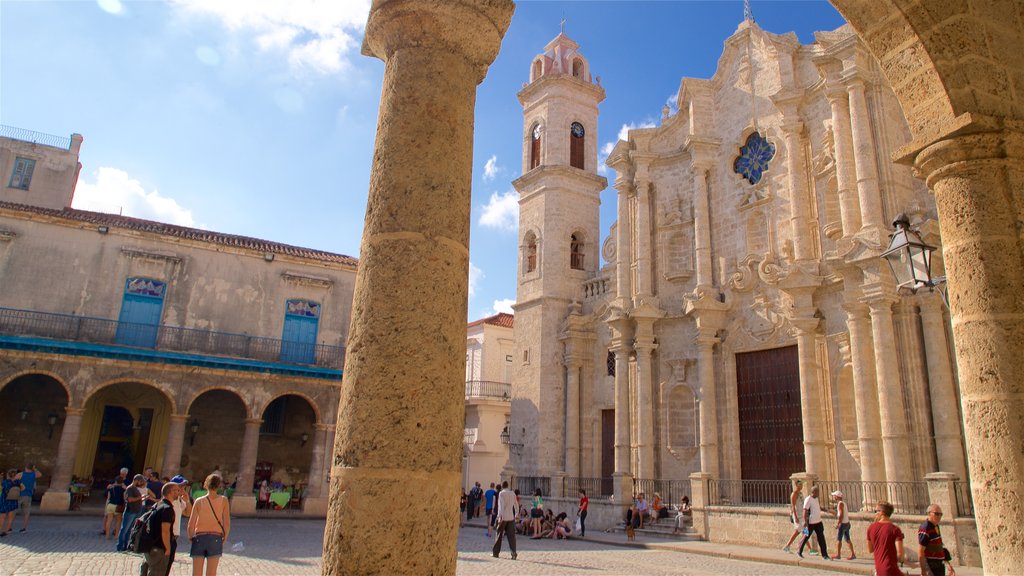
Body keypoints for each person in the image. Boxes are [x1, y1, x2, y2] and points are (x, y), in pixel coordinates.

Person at [188, 474, 231, 576]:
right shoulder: (224, 500)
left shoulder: (199, 501)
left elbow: (191, 522)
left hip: (199, 536)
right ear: (219, 486)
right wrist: (225, 536)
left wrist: (190, 536)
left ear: (206, 484)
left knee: (196, 573)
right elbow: (227, 522)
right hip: (215, 536)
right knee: (211, 573)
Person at [140, 482, 177, 576]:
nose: (179, 492)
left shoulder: (157, 505)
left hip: (150, 545)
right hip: (159, 547)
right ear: (170, 492)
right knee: (157, 572)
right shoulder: (167, 509)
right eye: (177, 490)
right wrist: (168, 548)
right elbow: (165, 530)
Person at [867, 501, 905, 576]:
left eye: (876, 511)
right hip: (891, 569)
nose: (875, 514)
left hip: (879, 570)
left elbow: (870, 550)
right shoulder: (895, 529)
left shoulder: (871, 528)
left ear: (882, 512)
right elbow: (900, 554)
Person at [166, 475, 193, 576]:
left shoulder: (180, 500)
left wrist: (187, 501)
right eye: (180, 487)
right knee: (162, 563)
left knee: (169, 562)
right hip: (167, 533)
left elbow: (188, 513)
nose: (182, 489)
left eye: (183, 487)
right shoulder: (169, 500)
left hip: (174, 534)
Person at [797, 485, 831, 559]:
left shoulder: (816, 499)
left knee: (821, 538)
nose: (818, 493)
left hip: (818, 522)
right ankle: (799, 551)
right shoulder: (808, 499)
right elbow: (805, 510)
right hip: (810, 522)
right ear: (813, 492)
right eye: (817, 492)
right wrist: (805, 521)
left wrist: (827, 510)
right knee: (806, 536)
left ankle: (825, 555)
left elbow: (818, 507)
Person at [919, 504, 952, 576]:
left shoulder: (935, 526)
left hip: (939, 564)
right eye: (936, 514)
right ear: (929, 513)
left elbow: (939, 546)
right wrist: (923, 570)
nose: (939, 516)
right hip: (931, 565)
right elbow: (921, 551)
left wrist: (948, 564)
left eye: (941, 514)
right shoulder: (925, 528)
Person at [117, 474, 147, 552]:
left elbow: (136, 500)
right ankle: (120, 546)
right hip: (130, 511)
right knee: (124, 529)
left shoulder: (135, 488)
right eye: (140, 482)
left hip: (136, 510)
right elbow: (130, 499)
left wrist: (143, 498)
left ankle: (126, 546)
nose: (141, 484)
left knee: (130, 529)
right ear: (136, 480)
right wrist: (140, 497)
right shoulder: (130, 488)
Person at [491, 480, 518, 560]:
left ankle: (495, 553)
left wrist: (499, 516)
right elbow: (516, 504)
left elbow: (501, 506)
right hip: (511, 517)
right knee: (511, 536)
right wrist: (516, 513)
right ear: (508, 485)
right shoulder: (512, 493)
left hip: (503, 517)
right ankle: (513, 553)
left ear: (502, 486)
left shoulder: (501, 493)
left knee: (499, 535)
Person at [13, 463, 41, 532]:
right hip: (28, 495)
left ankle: (9, 527)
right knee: (26, 513)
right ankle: (24, 528)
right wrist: (34, 469)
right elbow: (40, 474)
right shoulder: (34, 475)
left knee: (13, 511)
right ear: (32, 468)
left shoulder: (21, 474)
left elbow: (13, 481)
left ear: (25, 467)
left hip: (19, 494)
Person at [105, 468, 129, 540]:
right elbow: (124, 497)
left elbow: (108, 496)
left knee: (109, 521)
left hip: (110, 505)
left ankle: (107, 535)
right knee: (118, 521)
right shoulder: (122, 489)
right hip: (118, 506)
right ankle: (116, 536)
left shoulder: (111, 487)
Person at [832, 490, 856, 560]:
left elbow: (841, 515)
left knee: (839, 539)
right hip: (847, 523)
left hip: (843, 524)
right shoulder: (843, 503)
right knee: (847, 539)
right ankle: (853, 554)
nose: (833, 497)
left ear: (837, 497)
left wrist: (838, 523)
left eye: (834, 496)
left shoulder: (840, 504)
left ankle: (838, 554)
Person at [783, 480, 802, 553]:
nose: (801, 486)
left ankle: (809, 548)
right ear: (796, 485)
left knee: (804, 532)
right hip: (797, 515)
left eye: (802, 484)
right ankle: (787, 546)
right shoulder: (794, 494)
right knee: (798, 531)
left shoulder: (800, 493)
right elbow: (793, 506)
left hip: (801, 515)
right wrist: (796, 517)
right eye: (800, 484)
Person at [1, 469, 20, 536]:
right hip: (13, 499)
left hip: (5, 499)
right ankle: (7, 530)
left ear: (8, 475)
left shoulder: (5, 482)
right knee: (10, 516)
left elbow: (2, 489)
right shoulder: (18, 482)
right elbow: (23, 488)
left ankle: (0, 530)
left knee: (2, 516)